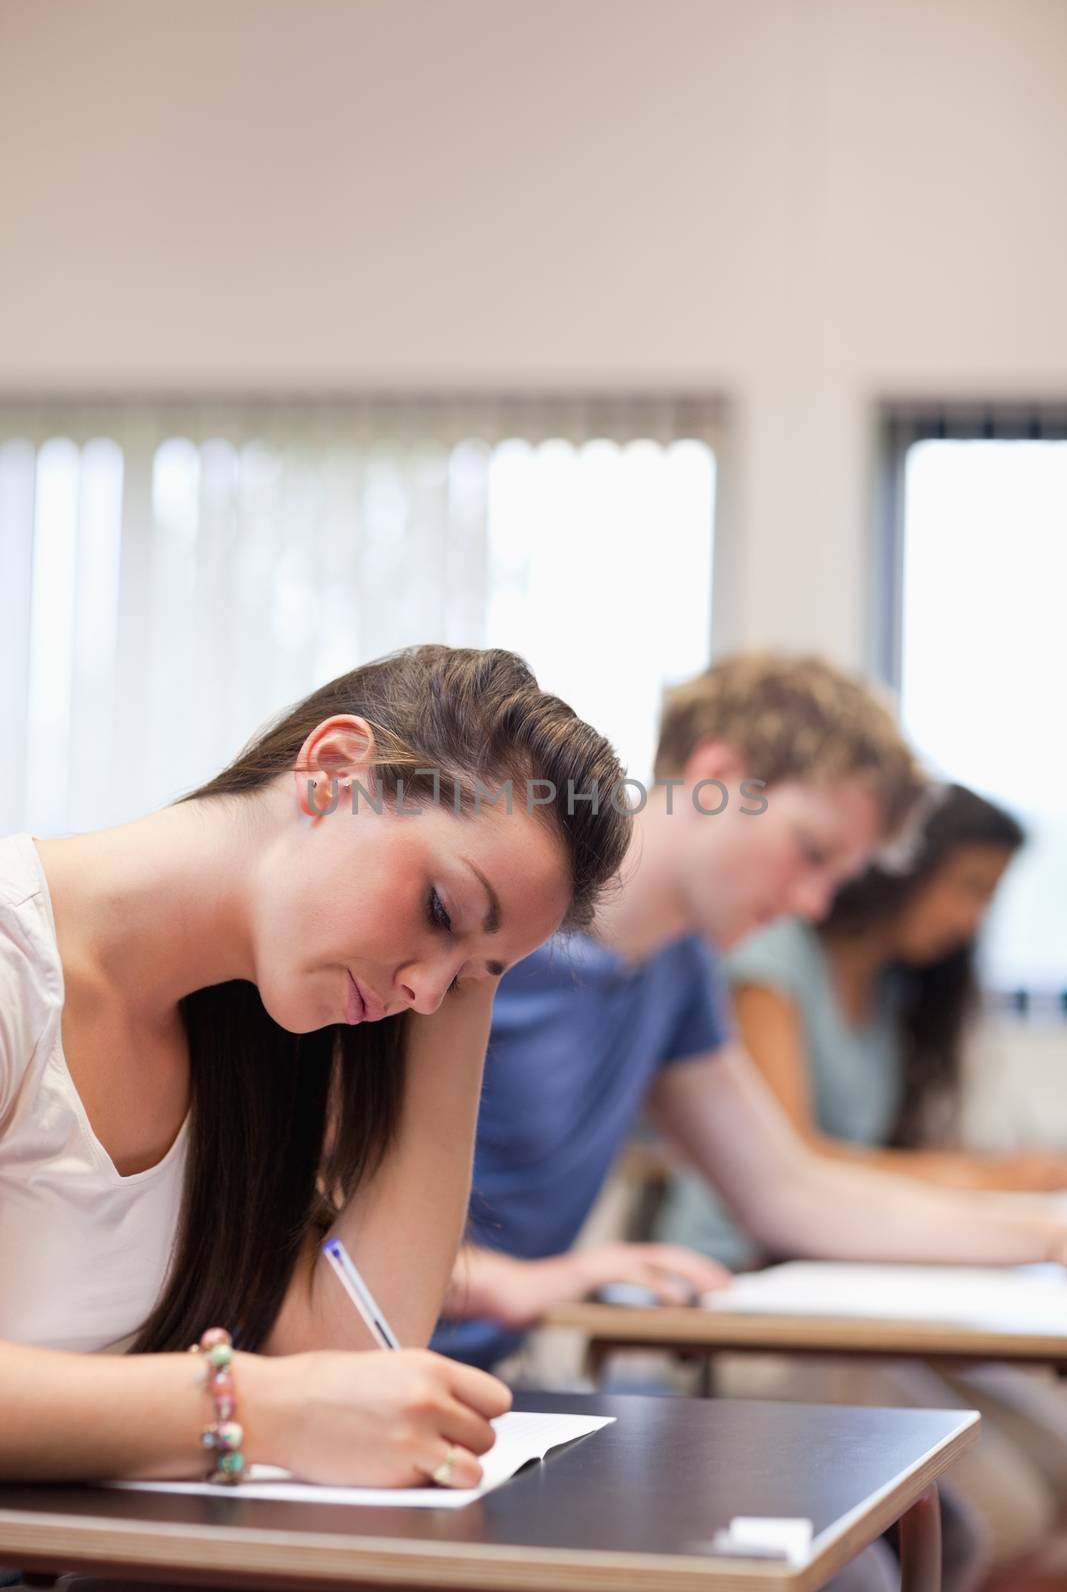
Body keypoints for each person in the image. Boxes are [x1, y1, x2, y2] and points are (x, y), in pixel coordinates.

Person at [0, 644, 630, 1491]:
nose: (425, 990)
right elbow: (311, 1399)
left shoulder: (253, 1037)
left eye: (471, 975)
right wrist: (253, 1408)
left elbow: (360, 1352)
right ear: (333, 770)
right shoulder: (17, 965)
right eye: (438, 909)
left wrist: (479, 964)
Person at [432, 657, 1067, 1373]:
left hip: (474, 1381)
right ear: (717, 776)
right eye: (810, 852)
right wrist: (501, 1280)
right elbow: (314, 1210)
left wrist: (1044, 1238)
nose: (814, 904)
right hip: (359, 1362)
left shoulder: (678, 968)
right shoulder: (487, 919)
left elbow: (787, 1190)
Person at [656, 782, 1067, 1575]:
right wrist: (994, 1184)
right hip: (754, 1284)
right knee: (1002, 1509)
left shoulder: (890, 992)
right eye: (968, 888)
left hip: (852, 1276)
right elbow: (796, 1162)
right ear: (899, 869)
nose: (971, 920)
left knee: (1051, 1465)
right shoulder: (768, 963)